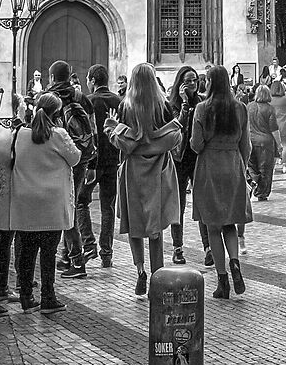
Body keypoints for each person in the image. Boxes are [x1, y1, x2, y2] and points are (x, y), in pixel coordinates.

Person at [113, 62, 183, 294]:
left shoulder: (126, 106)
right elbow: (172, 137)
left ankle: (140, 270)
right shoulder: (163, 106)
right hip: (158, 168)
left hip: (133, 169)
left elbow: (122, 141)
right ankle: (157, 275)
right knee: (155, 225)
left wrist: (114, 130)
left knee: (135, 222)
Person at [8, 92, 81, 312]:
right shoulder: (58, 134)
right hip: (51, 204)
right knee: (49, 252)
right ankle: (48, 297)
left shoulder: (19, 133)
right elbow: (76, 157)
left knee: (27, 251)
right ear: (57, 114)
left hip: (25, 201)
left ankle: (26, 297)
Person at [191, 65, 250, 298]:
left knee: (213, 226)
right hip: (233, 165)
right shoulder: (240, 108)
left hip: (209, 168)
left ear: (210, 83)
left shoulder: (202, 109)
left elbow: (196, 145)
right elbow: (246, 144)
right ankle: (235, 263)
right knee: (230, 223)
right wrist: (242, 168)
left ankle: (222, 279)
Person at [48, 60, 94, 277]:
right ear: (70, 75)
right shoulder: (80, 97)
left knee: (66, 207)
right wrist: (92, 161)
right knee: (72, 203)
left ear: (51, 77)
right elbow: (92, 129)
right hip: (81, 157)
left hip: (58, 158)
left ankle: (76, 260)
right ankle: (68, 257)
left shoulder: (48, 98)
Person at [85, 62, 123, 263]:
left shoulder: (89, 101)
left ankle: (88, 244)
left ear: (92, 80)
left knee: (81, 202)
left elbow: (88, 134)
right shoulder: (118, 101)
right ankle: (106, 253)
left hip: (93, 161)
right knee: (108, 206)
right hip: (113, 159)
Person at [166, 66, 202, 262]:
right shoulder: (172, 105)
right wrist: (185, 104)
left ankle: (208, 248)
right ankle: (177, 248)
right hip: (178, 159)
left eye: (195, 80)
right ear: (180, 82)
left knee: (202, 201)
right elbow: (176, 128)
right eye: (188, 81)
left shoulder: (202, 102)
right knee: (178, 205)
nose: (192, 85)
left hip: (196, 157)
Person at [246, 81, 278, 200]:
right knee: (266, 168)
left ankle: (254, 178)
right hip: (266, 142)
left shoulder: (249, 106)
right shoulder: (270, 109)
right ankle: (262, 193)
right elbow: (274, 129)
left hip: (250, 140)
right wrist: (279, 145)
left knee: (252, 165)